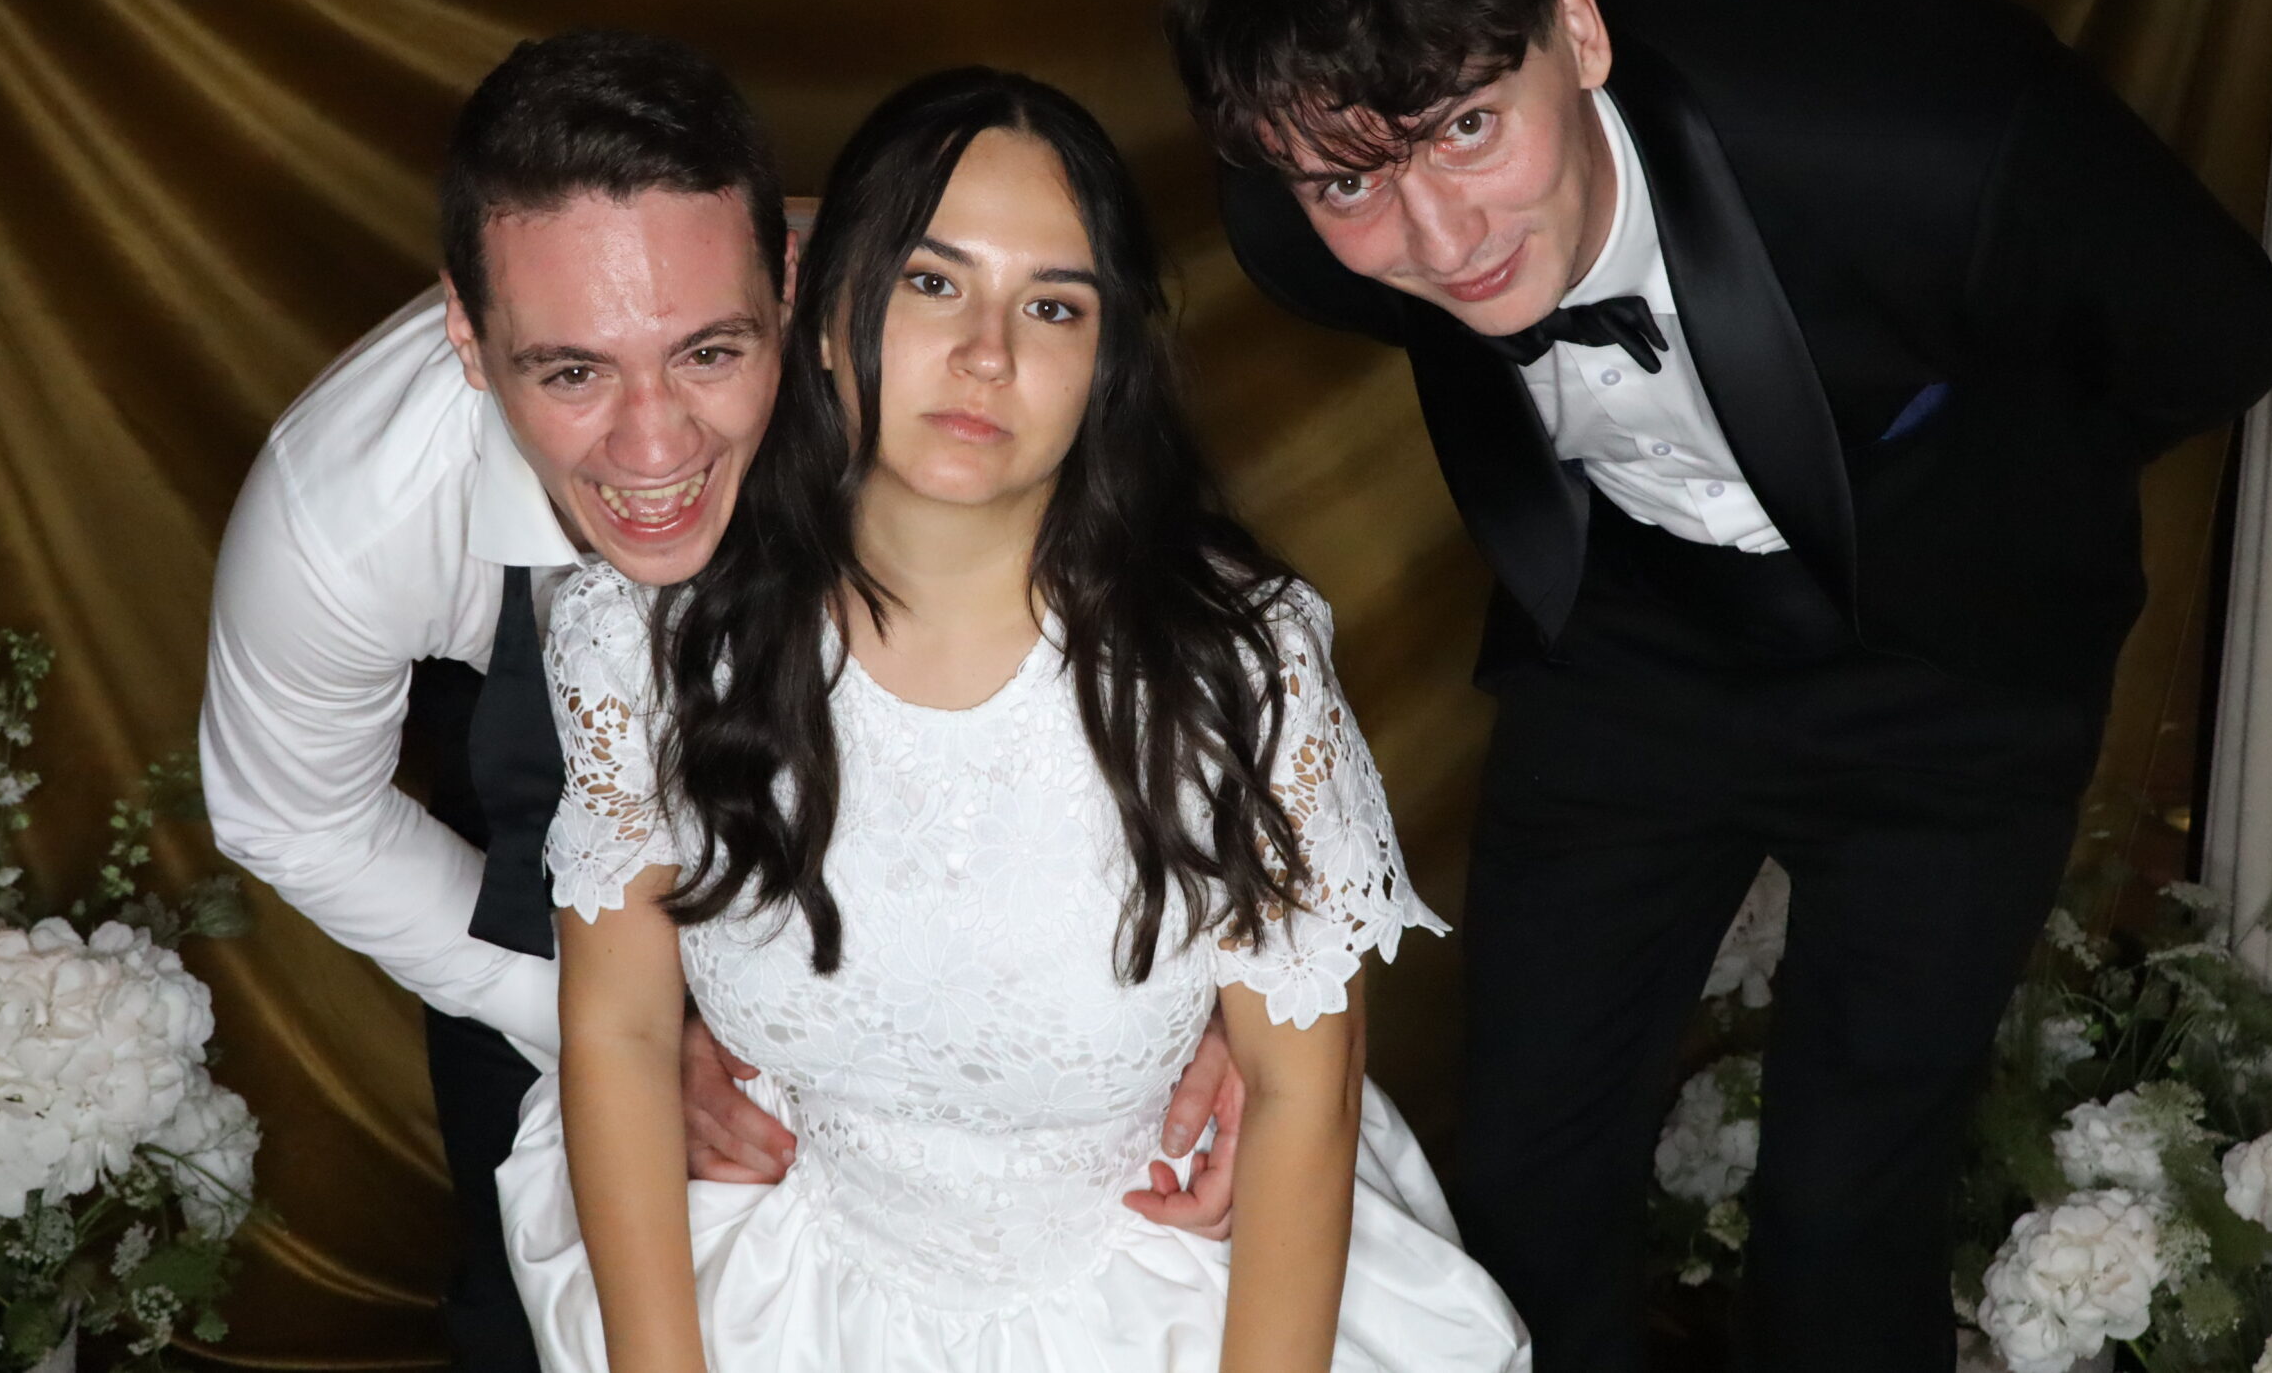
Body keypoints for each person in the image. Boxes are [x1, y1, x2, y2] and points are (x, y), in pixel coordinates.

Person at [1161, 0, 2272, 1372]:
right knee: (1528, 1161)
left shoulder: (1925, 132)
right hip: (1633, 641)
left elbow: (2222, 337)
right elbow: (1395, 238)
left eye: (1469, 128)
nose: (1439, 235)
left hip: (1953, 661)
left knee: (1846, 1201)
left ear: (1573, 26)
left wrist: (1963, 509)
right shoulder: (1301, 211)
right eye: (1355, 183)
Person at [199, 32, 1233, 1373]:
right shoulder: (344, 511)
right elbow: (295, 816)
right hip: (562, 873)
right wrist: (600, 1024)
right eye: (571, 372)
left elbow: (1141, 614)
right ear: (468, 331)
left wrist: (1190, 1010)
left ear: (792, 286)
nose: (654, 448)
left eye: (706, 353)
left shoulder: (921, 324)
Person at [492, 67, 1529, 1372]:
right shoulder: (649, 637)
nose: (988, 353)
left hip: (1164, 1296)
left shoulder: (1238, 665)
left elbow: (1299, 1092)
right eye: (932, 282)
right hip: (789, 1290)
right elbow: (622, 1031)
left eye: (1052, 306)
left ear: (1103, 365)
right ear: (823, 310)